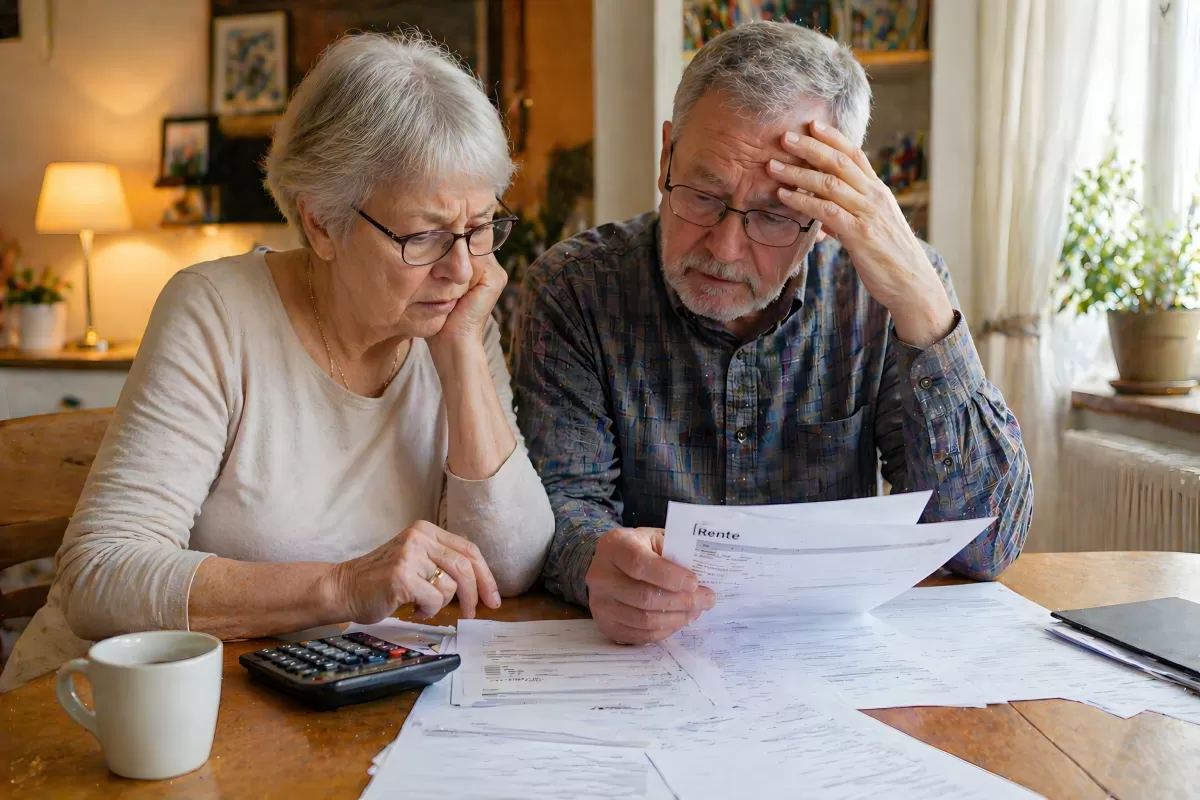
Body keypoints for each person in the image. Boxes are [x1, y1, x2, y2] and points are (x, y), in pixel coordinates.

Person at [1, 33, 554, 691]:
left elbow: (509, 567)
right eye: (426, 235)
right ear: (320, 222)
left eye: (481, 226)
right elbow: (102, 575)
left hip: (316, 705)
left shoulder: (455, 315)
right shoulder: (215, 313)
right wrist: (341, 584)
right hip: (116, 713)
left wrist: (461, 349)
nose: (464, 269)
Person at [513, 21, 1033, 646]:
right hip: (643, 662)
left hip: (834, 662)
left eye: (774, 215)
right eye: (704, 196)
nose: (725, 249)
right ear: (666, 157)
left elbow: (987, 547)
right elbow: (559, 511)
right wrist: (596, 562)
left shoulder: (883, 295)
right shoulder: (576, 290)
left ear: (825, 216)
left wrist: (925, 307)